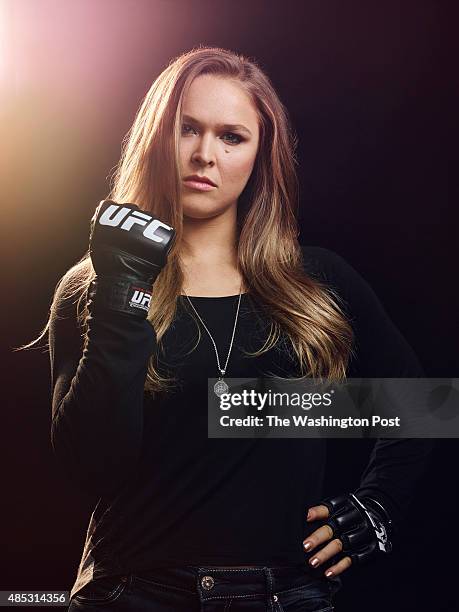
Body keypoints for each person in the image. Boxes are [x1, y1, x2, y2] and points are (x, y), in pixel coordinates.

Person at [28, 47, 434, 610]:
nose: (203, 155)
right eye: (187, 129)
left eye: (231, 137)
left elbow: (421, 406)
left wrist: (378, 504)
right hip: (134, 594)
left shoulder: (316, 282)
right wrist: (122, 297)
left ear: (260, 155)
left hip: (290, 594)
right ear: (156, 140)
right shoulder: (91, 285)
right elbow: (92, 467)